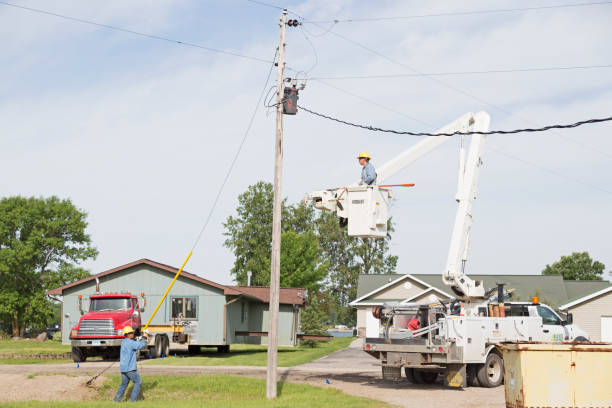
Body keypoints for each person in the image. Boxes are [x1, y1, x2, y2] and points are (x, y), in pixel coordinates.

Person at [113, 326, 148, 402]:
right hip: (130, 369)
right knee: (138, 382)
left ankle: (116, 400)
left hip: (123, 368)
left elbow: (135, 343)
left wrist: (140, 338)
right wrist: (145, 338)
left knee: (123, 384)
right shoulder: (131, 342)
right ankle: (132, 401)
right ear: (128, 334)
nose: (133, 334)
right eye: (132, 333)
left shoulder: (124, 342)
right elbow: (139, 345)